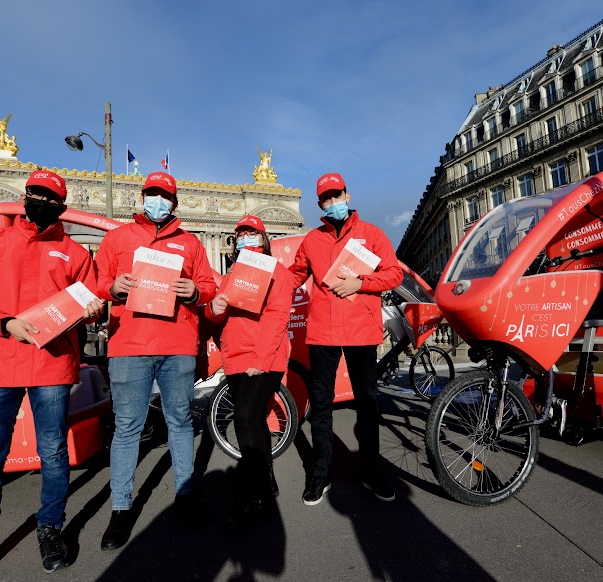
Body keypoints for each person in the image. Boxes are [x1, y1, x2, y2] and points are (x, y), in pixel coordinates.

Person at [0, 170, 104, 582]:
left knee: (52, 452)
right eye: (35, 193)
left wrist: (95, 311)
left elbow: (93, 301)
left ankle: (50, 528)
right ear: (24, 196)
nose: (41, 200)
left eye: (50, 196)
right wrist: (4, 323)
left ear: (61, 206)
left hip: (50, 365)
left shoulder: (74, 253)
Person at [94, 171, 218, 549]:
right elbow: (96, 282)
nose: (158, 201)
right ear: (142, 196)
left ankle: (185, 496)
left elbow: (211, 286)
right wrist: (111, 288)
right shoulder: (117, 238)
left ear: (174, 202)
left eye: (165, 196)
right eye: (152, 194)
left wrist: (196, 290)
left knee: (180, 422)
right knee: (127, 427)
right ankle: (120, 509)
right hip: (129, 345)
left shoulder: (191, 244)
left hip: (178, 345)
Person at [289, 172, 404, 505]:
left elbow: (394, 273)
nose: (333, 202)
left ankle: (370, 469)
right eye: (326, 198)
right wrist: (260, 279)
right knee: (321, 405)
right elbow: (295, 274)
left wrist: (361, 283)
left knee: (367, 403)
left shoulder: (372, 234)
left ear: (348, 196)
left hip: (360, 330)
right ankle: (321, 474)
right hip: (323, 331)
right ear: (320, 203)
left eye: (337, 195)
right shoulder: (311, 240)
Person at [205, 215, 293, 528]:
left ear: (263, 238)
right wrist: (212, 309)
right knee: (254, 420)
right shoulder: (231, 276)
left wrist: (260, 357)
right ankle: (267, 483)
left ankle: (250, 495)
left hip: (264, 358)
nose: (244, 238)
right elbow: (217, 316)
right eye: (239, 234)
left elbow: (277, 316)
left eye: (251, 233)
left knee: (243, 419)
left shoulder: (278, 273)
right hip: (235, 357)